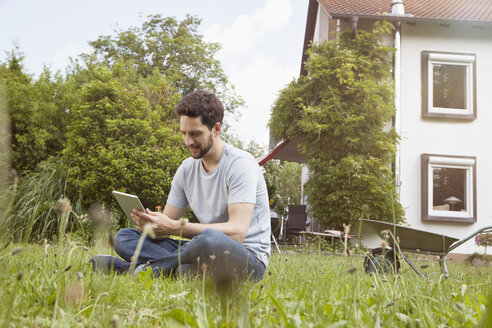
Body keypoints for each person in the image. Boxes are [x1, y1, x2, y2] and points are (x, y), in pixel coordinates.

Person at [90, 90, 271, 281]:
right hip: (200, 252)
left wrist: (176, 228)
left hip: (246, 258)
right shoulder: (186, 170)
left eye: (195, 134)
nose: (188, 142)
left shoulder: (241, 164)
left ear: (216, 129)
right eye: (184, 133)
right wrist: (152, 225)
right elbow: (167, 226)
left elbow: (237, 233)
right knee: (124, 237)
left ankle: (136, 269)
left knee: (209, 239)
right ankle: (179, 268)